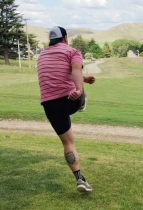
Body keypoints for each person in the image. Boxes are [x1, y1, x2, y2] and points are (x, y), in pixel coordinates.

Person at [37, 26, 95, 193]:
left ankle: (79, 179)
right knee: (80, 91)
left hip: (49, 104)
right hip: (70, 100)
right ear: (65, 38)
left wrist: (84, 79)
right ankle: (82, 101)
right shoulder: (72, 51)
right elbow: (75, 69)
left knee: (68, 142)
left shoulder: (42, 55)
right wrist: (79, 88)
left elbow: (62, 72)